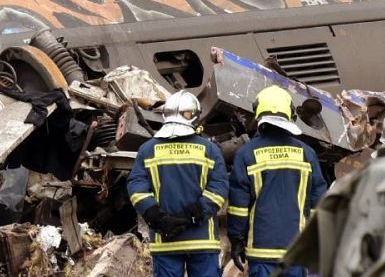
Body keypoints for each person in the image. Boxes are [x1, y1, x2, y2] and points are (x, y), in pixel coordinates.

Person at [227, 86, 327, 277]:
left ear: (258, 113)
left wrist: (236, 240)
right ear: (290, 114)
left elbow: (238, 206)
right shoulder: (307, 153)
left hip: (260, 251)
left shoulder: (246, 154)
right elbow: (318, 203)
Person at [127, 90, 228, 277]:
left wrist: (155, 215)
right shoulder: (210, 150)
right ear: (195, 117)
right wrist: (193, 215)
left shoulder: (148, 149)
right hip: (202, 241)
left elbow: (136, 186)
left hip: (165, 240)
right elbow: (219, 188)